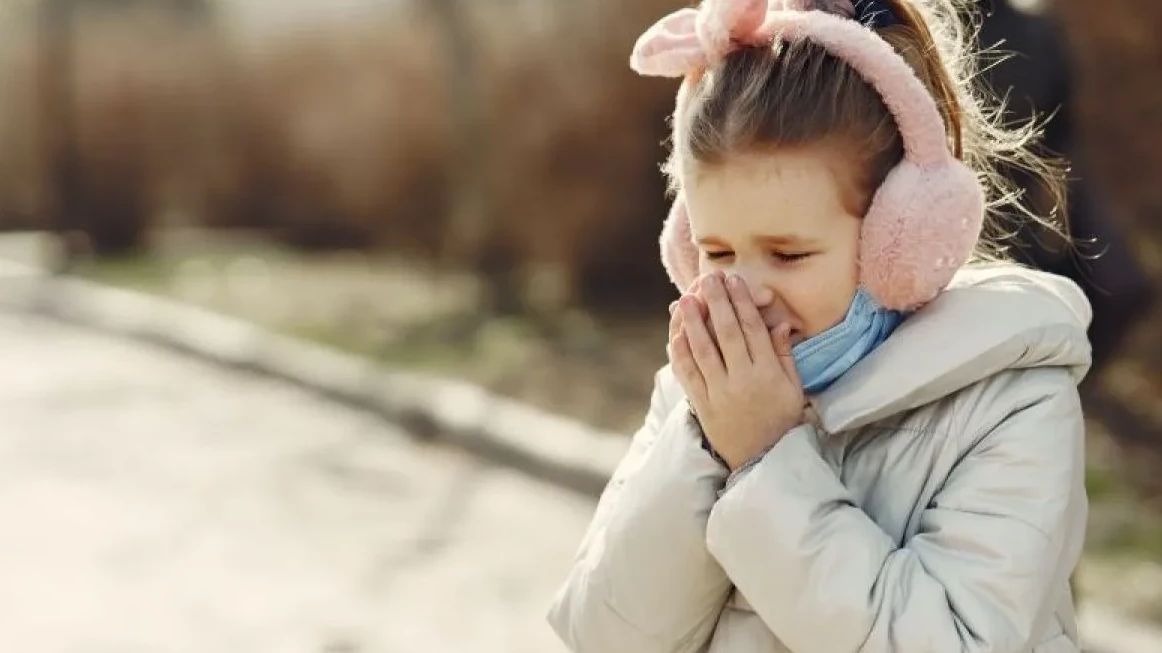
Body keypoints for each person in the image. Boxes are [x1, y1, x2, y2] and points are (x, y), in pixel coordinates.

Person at [547, 1, 1091, 651]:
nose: (746, 293)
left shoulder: (1012, 399)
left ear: (900, 238)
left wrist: (767, 458)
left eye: (789, 254)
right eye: (717, 252)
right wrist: (707, 447)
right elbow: (603, 633)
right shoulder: (698, 392)